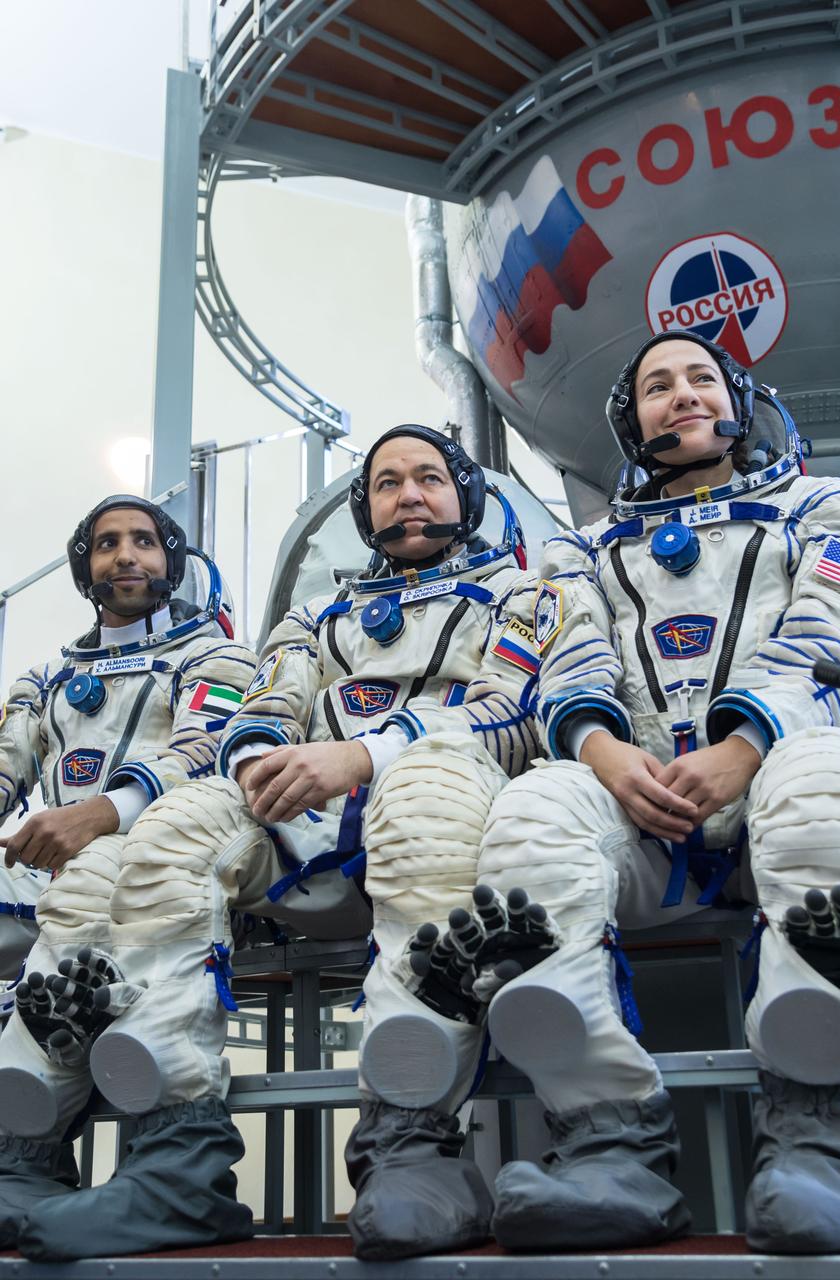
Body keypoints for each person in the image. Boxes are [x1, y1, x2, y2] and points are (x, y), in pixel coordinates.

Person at [418, 332, 840, 1254]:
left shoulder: (831, 509)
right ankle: (610, 1142)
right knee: (534, 813)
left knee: (826, 773)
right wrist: (602, 753)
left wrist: (746, 745)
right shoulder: (579, 551)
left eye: (699, 378)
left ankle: (824, 1141)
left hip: (782, 781)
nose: (679, 395)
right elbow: (563, 660)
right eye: (656, 386)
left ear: (740, 401)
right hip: (639, 806)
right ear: (630, 420)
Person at [11, 425, 540, 1262]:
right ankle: (170, 1162)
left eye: (429, 478)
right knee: (153, 842)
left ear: (464, 496)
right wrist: (258, 763)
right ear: (364, 511)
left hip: (451, 811)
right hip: (313, 829)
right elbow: (263, 710)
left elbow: (513, 710)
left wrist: (366, 753)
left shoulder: (523, 590)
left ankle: (414, 1145)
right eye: (387, 482)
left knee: (420, 798)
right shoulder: (312, 616)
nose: (408, 494)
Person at [0, 495, 256, 1249]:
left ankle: (174, 1162)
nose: (126, 556)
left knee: (105, 884)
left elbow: (203, 751)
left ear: (171, 561)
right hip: (57, 864)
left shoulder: (216, 655)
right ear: (86, 567)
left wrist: (101, 813)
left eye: (144, 541)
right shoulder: (45, 676)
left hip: (168, 852)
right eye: (107, 544)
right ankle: (21, 1158)